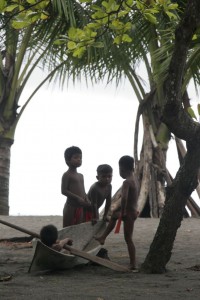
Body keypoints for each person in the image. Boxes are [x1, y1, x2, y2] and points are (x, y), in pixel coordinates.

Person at [95, 155, 139, 270]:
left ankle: (133, 263)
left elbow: (124, 198)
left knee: (128, 238)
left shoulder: (126, 183)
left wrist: (123, 211)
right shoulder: (135, 180)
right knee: (114, 214)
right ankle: (103, 237)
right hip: (133, 211)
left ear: (122, 169)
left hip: (128, 213)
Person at [61, 146, 91, 228]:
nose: (79, 159)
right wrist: (77, 198)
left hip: (80, 207)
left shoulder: (81, 176)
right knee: (68, 228)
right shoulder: (67, 175)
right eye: (76, 157)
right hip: (71, 207)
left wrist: (86, 199)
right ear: (67, 160)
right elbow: (64, 191)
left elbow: (83, 191)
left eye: (80, 157)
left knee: (78, 228)